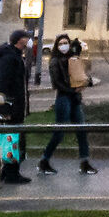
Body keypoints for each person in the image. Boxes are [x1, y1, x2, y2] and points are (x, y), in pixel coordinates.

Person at [37, 34, 95, 175]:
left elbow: (84, 76)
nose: (64, 45)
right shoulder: (55, 62)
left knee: (81, 130)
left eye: (66, 43)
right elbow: (57, 83)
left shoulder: (73, 59)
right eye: (61, 43)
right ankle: (44, 161)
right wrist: (73, 89)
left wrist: (86, 83)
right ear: (57, 46)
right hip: (64, 98)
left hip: (74, 98)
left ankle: (85, 162)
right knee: (59, 133)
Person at [0, 33, 32, 185]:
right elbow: (2, 82)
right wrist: (4, 105)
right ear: (20, 41)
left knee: (10, 137)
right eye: (26, 38)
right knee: (12, 138)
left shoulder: (12, 55)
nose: (29, 41)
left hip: (10, 104)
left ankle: (7, 170)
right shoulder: (9, 58)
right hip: (9, 106)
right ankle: (11, 172)